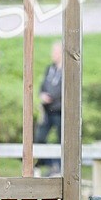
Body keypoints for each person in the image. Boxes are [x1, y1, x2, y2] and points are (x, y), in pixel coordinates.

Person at [36, 41, 63, 175]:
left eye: (55, 52)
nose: (53, 55)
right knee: (40, 137)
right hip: (47, 110)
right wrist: (42, 95)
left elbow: (64, 90)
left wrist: (51, 97)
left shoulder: (66, 70)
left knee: (61, 139)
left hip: (59, 111)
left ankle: (59, 167)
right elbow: (43, 85)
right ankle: (48, 163)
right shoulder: (50, 68)